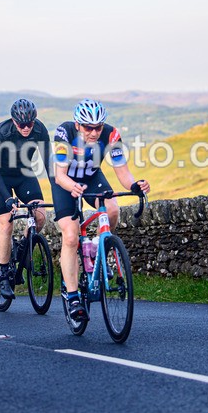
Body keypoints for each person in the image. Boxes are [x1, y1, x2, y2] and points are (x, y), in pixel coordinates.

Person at [50, 99, 150, 322]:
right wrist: (72, 187)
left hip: (92, 176)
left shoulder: (112, 135)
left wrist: (135, 186)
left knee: (112, 209)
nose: (94, 132)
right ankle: (73, 296)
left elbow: (123, 173)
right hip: (65, 181)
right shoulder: (64, 134)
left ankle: (98, 249)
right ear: (78, 125)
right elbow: (60, 176)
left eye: (98, 127)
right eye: (88, 127)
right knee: (70, 234)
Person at [0, 98, 51, 299]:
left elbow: (49, 163)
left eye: (29, 124)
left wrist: (60, 190)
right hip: (0, 177)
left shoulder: (39, 130)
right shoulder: (1, 133)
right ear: (14, 121)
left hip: (23, 174)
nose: (26, 128)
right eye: (21, 124)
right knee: (6, 224)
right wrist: (7, 199)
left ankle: (21, 247)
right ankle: (4, 273)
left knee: (40, 215)